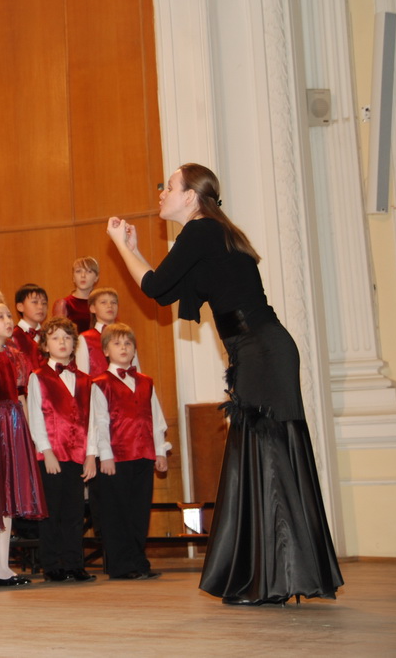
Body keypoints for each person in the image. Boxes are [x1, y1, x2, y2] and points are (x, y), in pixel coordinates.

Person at [106, 162, 342, 605]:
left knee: (265, 453)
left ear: (191, 196)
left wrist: (121, 245)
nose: (161, 193)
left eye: (169, 187)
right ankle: (277, 573)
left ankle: (276, 575)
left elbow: (155, 288)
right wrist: (133, 250)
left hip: (260, 349)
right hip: (259, 349)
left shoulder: (200, 233)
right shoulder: (208, 234)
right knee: (264, 453)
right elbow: (166, 289)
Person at [89, 323, 169, 581]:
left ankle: (138, 561)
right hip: (117, 456)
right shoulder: (100, 383)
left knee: (139, 510)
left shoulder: (146, 382)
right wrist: (106, 454)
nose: (123, 348)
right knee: (116, 511)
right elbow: (99, 422)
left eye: (128, 344)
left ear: (134, 350)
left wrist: (160, 452)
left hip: (144, 453)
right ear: (106, 351)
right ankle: (121, 565)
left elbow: (155, 419)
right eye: (117, 344)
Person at [25, 317, 97, 583]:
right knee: (52, 511)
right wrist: (47, 450)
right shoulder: (38, 377)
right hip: (51, 455)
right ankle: (53, 564)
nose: (62, 342)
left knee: (74, 512)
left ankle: (74, 563)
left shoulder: (86, 380)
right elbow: (36, 415)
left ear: (74, 343)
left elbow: (92, 420)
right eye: (55, 337)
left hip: (78, 455)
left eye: (67, 337)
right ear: (45, 345)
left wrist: (91, 455)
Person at [0, 299, 41, 585]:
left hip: (13, 424)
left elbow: (21, 396)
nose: (7, 320)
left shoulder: (14, 356)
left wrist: (27, 431)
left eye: (8, 315)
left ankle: (3, 563)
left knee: (10, 495)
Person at [76, 287, 121, 376]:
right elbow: (82, 375)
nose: (109, 306)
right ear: (93, 308)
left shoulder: (126, 336)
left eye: (113, 302)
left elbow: (135, 370)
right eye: (103, 302)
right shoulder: (85, 338)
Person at [52, 256, 100, 333]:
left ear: (96, 277)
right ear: (73, 277)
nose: (83, 276)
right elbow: (59, 334)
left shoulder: (102, 303)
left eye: (89, 271)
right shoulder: (63, 304)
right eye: (78, 271)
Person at [11, 283, 49, 373]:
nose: (40, 307)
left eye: (44, 303)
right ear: (20, 307)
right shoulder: (13, 336)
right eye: (35, 302)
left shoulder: (49, 335)